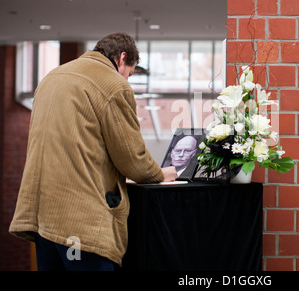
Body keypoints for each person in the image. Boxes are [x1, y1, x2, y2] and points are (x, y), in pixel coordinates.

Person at [9, 32, 177, 271]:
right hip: (81, 224)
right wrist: (160, 174)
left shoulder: (52, 77)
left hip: (43, 220)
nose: (127, 81)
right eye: (129, 74)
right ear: (122, 58)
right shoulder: (113, 84)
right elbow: (133, 159)